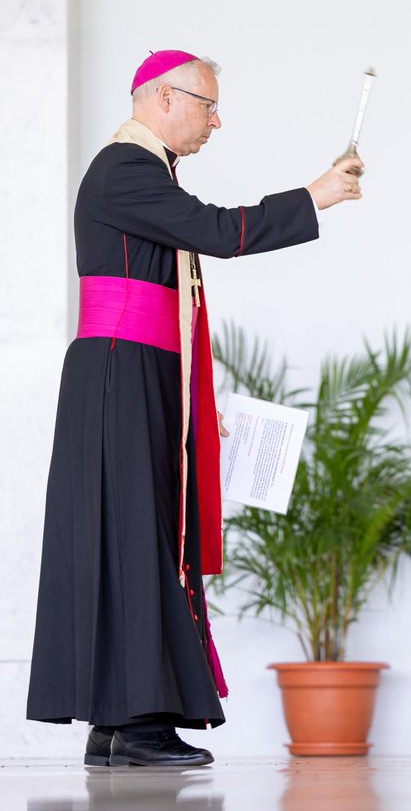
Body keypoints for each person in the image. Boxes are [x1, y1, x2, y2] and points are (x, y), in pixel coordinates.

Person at [26, 49, 363, 768]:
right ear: (162, 99)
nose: (217, 120)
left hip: (140, 371)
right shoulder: (126, 168)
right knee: (140, 536)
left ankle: (118, 725)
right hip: (122, 370)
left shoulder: (144, 172)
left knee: (138, 533)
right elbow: (217, 232)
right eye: (207, 105)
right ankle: (138, 723)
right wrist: (315, 196)